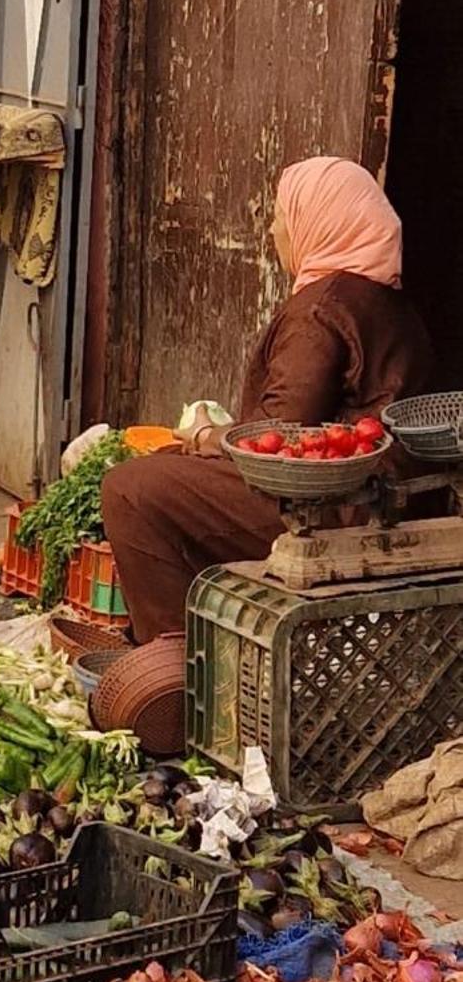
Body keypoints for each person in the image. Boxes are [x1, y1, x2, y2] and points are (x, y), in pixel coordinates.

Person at [102, 157, 434, 642]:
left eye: (281, 215)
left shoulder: (321, 309)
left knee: (130, 488)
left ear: (315, 221)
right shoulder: (393, 303)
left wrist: (205, 435)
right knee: (172, 472)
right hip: (381, 497)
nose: (275, 229)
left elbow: (281, 431)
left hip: (336, 509)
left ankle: (167, 674)